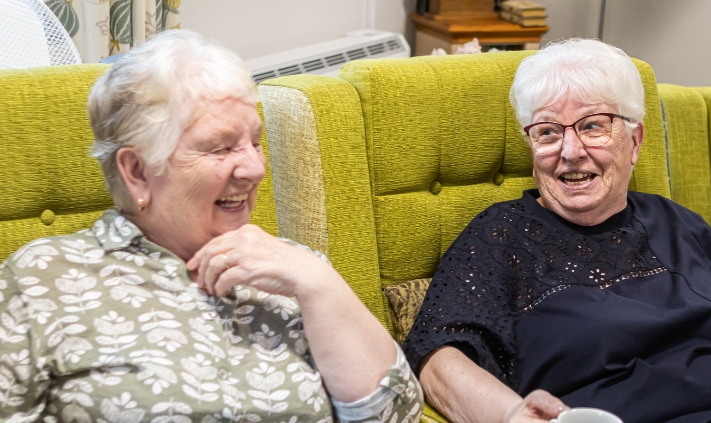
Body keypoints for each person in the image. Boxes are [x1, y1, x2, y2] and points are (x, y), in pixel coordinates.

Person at [0, 30, 422, 423]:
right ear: (138, 171)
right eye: (221, 148)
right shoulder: (43, 279)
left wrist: (319, 284)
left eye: (255, 142)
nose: (255, 168)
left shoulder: (292, 268)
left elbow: (397, 415)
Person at [402, 39, 711, 423]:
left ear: (635, 141)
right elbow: (438, 357)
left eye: (592, 126)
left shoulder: (676, 222)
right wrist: (511, 414)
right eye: (548, 131)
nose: (571, 151)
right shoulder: (502, 235)